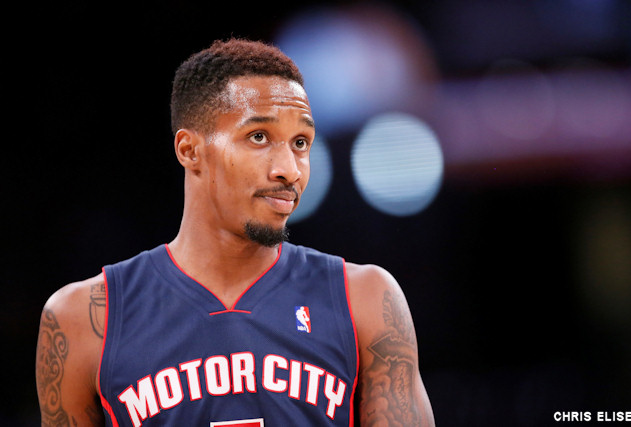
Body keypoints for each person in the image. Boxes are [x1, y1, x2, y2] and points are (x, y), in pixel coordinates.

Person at [35, 38, 435, 426]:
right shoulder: (83, 317)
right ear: (189, 150)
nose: (289, 170)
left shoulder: (364, 299)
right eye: (258, 137)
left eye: (300, 142)